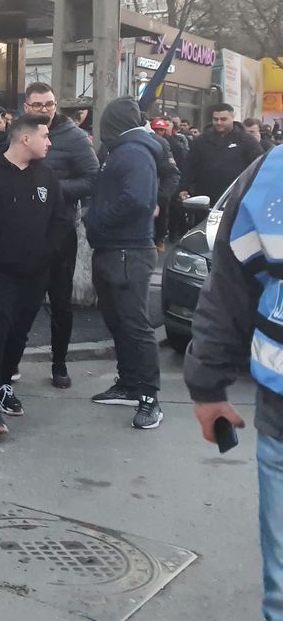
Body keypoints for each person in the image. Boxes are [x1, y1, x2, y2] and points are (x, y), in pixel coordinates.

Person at [184, 149, 279, 618]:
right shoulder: (272, 173)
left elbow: (229, 281)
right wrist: (207, 386)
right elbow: (232, 281)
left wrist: (208, 386)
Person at [0, 113, 69, 436]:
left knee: (18, 333)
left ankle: (5, 385)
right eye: (45, 136)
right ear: (25, 139)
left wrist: (47, 252)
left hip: (35, 275)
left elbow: (61, 221)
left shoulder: (47, 176)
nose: (49, 143)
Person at [85, 97, 163, 430]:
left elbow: (137, 199)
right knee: (119, 323)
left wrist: (99, 221)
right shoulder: (124, 150)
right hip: (114, 250)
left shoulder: (134, 152)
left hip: (128, 251)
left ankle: (150, 399)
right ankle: (129, 384)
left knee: (135, 325)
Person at [23, 82, 99, 389]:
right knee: (21, 302)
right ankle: (12, 359)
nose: (44, 110)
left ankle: (59, 363)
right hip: (22, 232)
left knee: (60, 303)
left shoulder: (75, 138)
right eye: (37, 105)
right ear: (25, 107)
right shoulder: (17, 132)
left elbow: (93, 179)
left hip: (59, 232)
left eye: (49, 105)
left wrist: (50, 191)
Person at [179, 103, 264, 204]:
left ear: (232, 117)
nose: (219, 123)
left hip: (236, 198)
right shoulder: (201, 140)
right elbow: (189, 166)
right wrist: (183, 187)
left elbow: (259, 167)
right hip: (205, 198)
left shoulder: (247, 141)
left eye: (223, 119)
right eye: (215, 119)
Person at [150, 118, 186, 247]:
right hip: (156, 183)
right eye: (156, 129)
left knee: (165, 211)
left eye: (161, 130)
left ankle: (161, 238)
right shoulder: (151, 141)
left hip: (165, 184)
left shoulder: (173, 144)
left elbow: (177, 168)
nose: (158, 132)